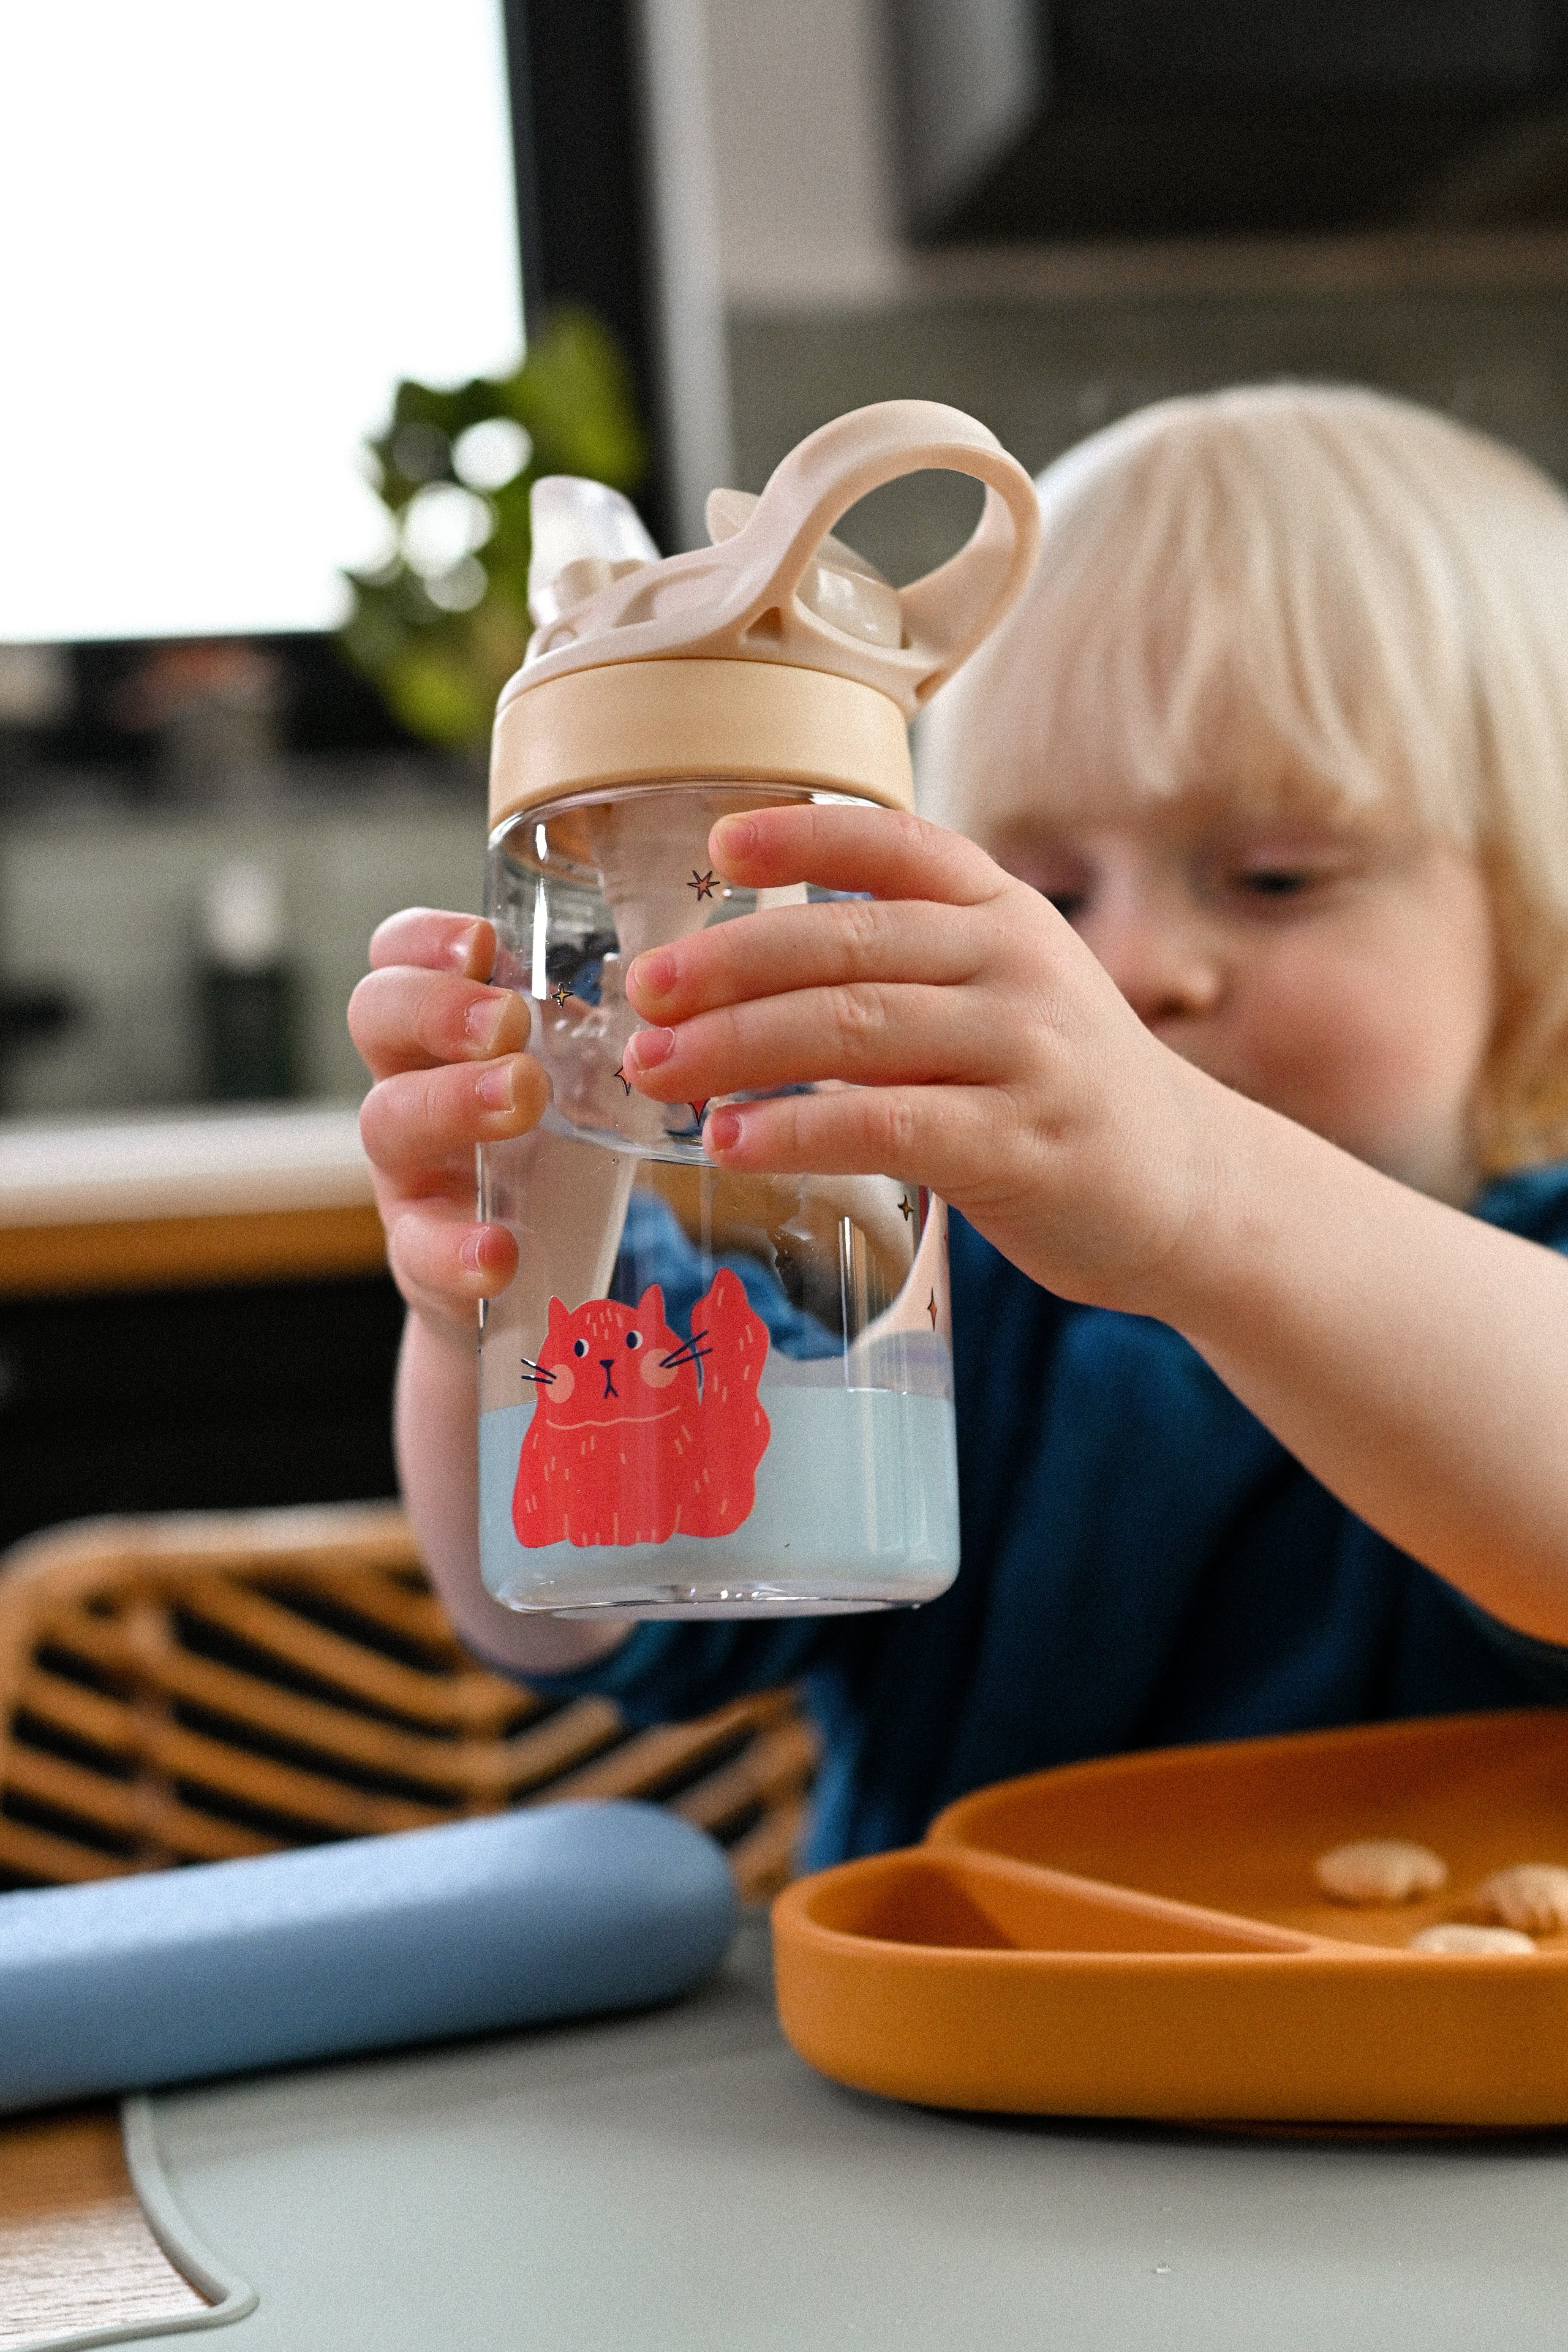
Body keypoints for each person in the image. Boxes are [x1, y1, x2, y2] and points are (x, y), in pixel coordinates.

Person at [351, 383, 1568, 1868]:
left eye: (1273, 878)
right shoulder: (931, 1285)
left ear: (1537, 934)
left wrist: (1197, 1191)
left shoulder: (1533, 1277)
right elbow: (581, 1601)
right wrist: (484, 1289)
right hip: (946, 2067)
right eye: (1045, 900)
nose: (1125, 975)